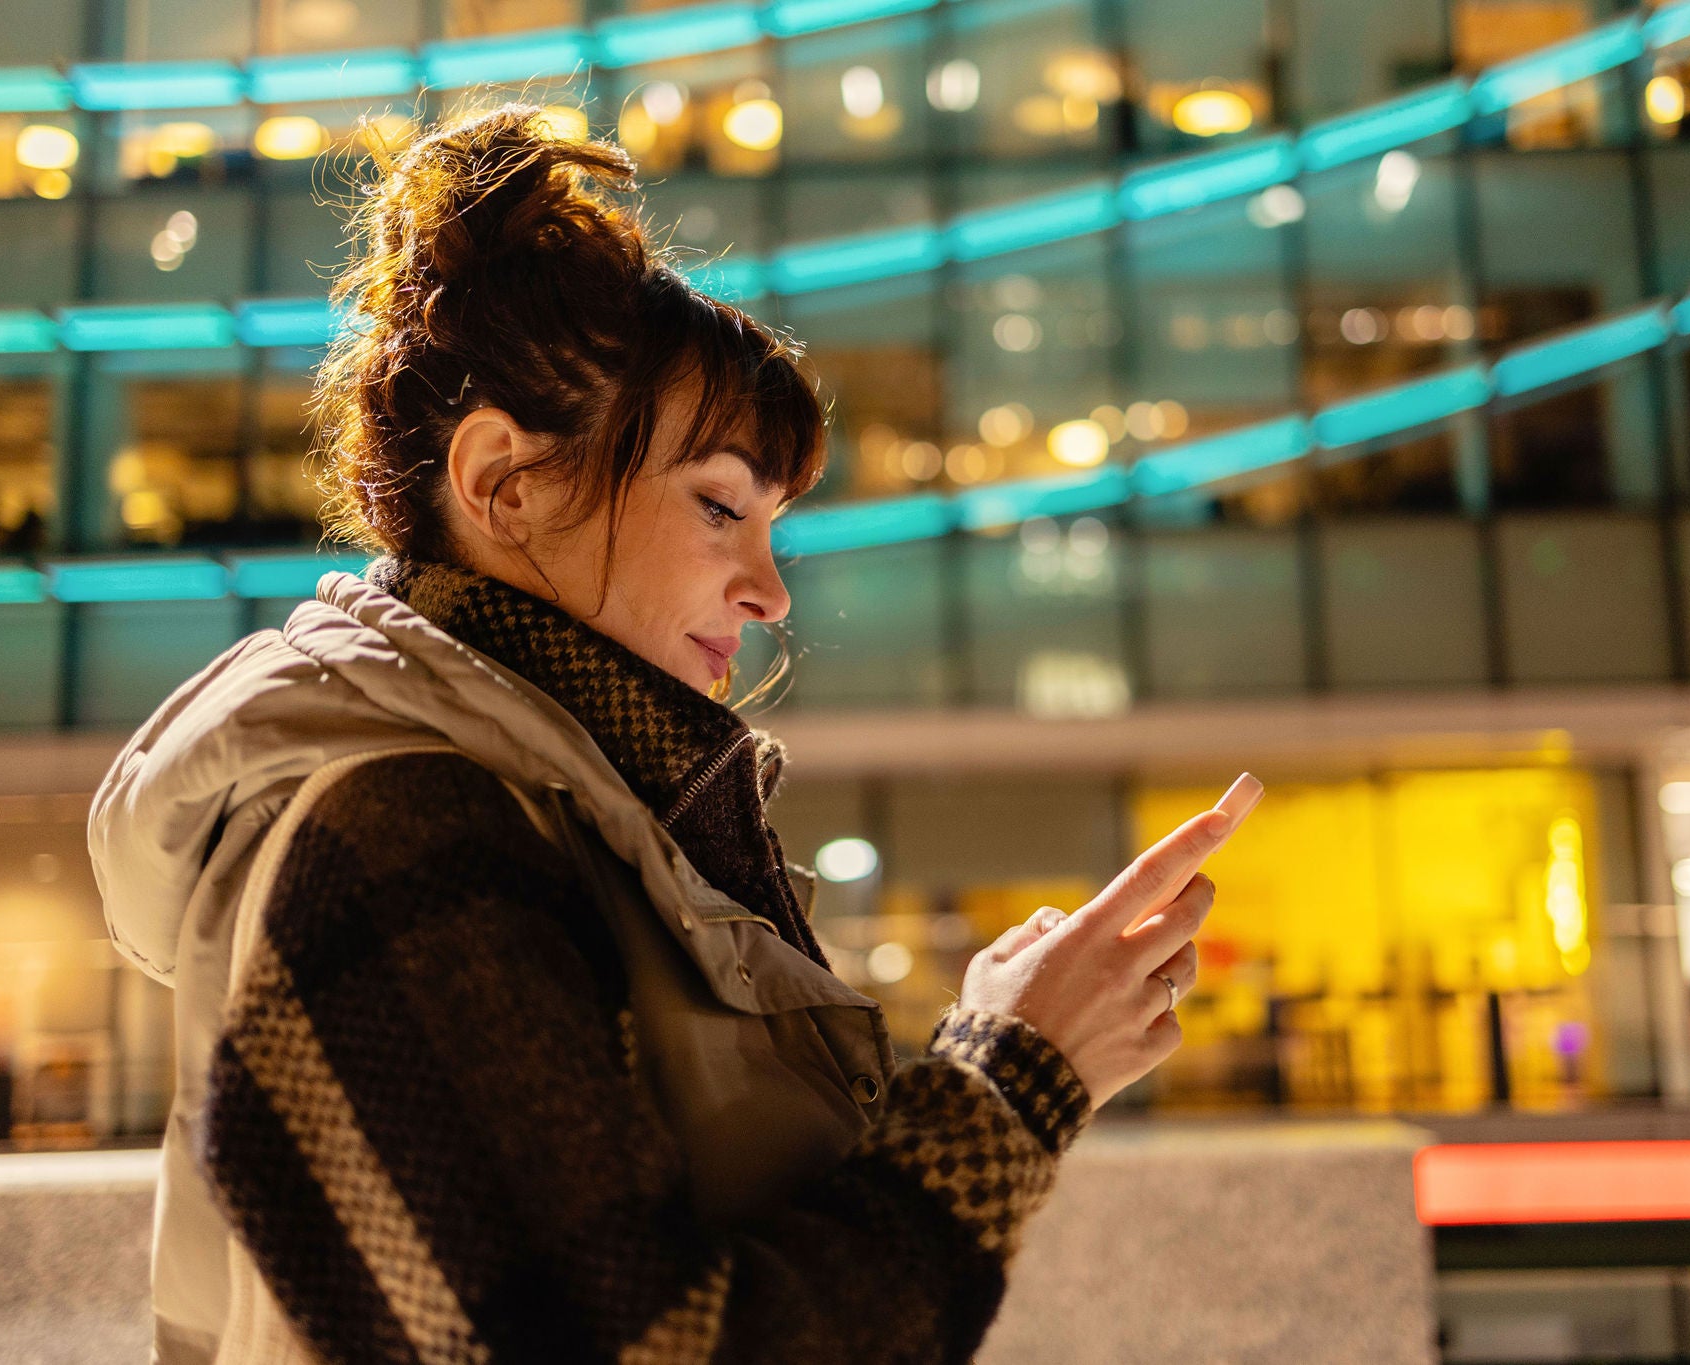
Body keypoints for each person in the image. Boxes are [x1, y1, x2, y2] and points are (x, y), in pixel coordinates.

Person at [88, 102, 1224, 1365]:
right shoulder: (400, 817)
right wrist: (1007, 1082)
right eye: (717, 506)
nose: (769, 589)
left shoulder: (579, 819)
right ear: (504, 487)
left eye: (772, 523)